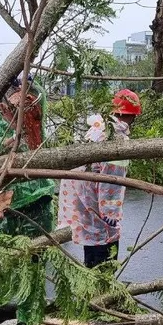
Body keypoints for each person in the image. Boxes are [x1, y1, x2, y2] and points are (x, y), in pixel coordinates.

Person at [57, 89, 142, 270]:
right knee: (104, 253)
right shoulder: (117, 139)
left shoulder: (98, 127)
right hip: (97, 203)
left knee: (92, 245)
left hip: (83, 199)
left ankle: (91, 288)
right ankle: (103, 292)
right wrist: (110, 214)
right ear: (133, 116)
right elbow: (112, 182)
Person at [0, 78, 56, 238]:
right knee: (5, 248)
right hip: (5, 193)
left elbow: (40, 95)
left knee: (38, 247)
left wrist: (25, 81)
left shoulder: (30, 102)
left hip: (38, 191)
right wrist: (11, 139)